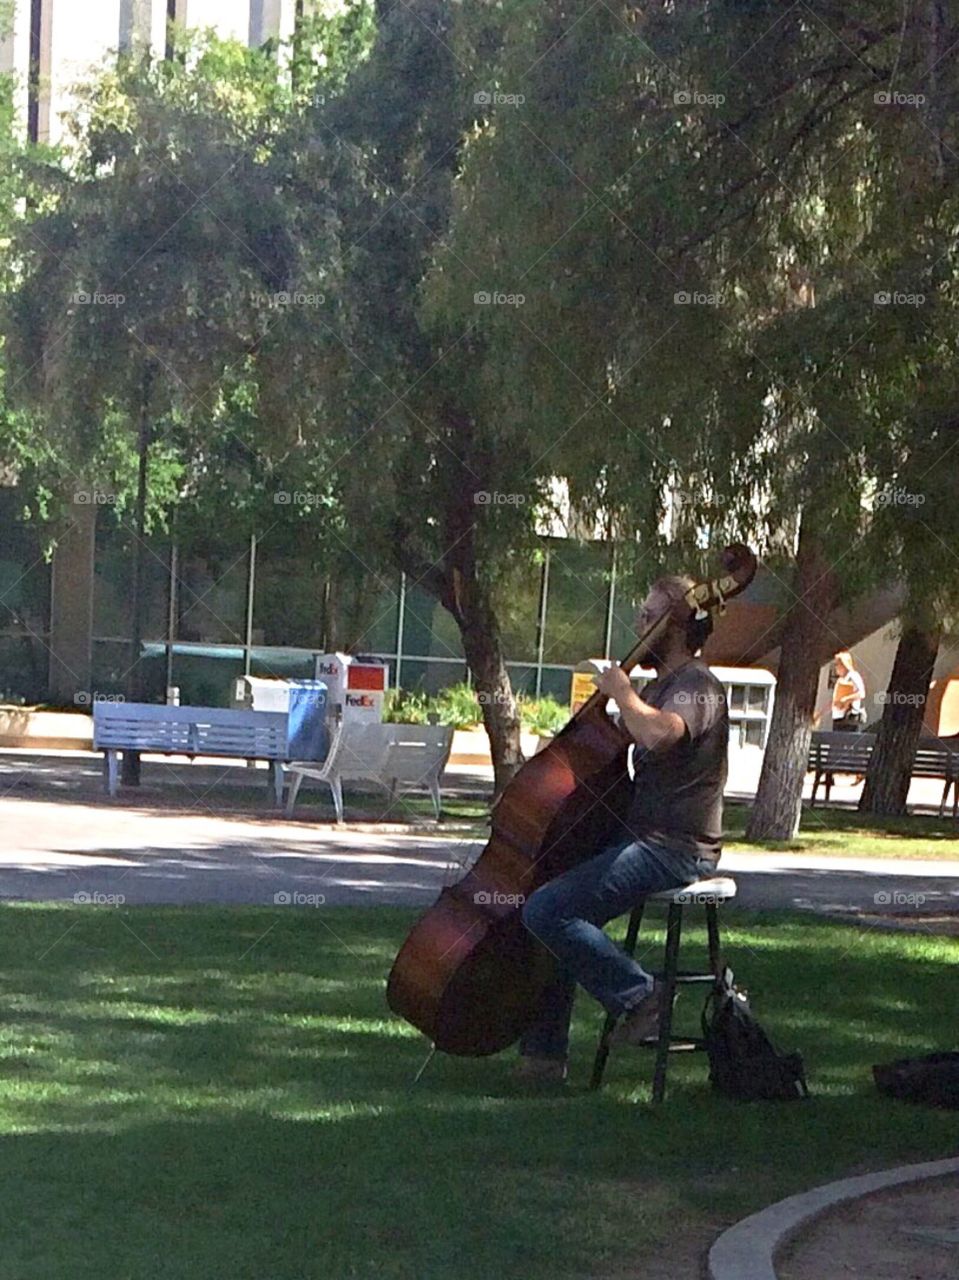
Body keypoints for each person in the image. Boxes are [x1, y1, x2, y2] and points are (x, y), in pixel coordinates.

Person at [515, 575, 729, 1085]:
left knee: (548, 909)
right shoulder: (664, 686)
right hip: (644, 837)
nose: (638, 624)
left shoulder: (696, 686)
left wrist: (624, 694)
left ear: (675, 627)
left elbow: (659, 735)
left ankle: (642, 996)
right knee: (551, 898)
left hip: (677, 848)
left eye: (649, 615)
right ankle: (543, 1059)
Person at [831, 651, 866, 731]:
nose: (836, 667)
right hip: (838, 718)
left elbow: (861, 693)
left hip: (849, 717)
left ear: (844, 665)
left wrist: (846, 699)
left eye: (837, 664)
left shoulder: (853, 676)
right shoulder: (840, 680)